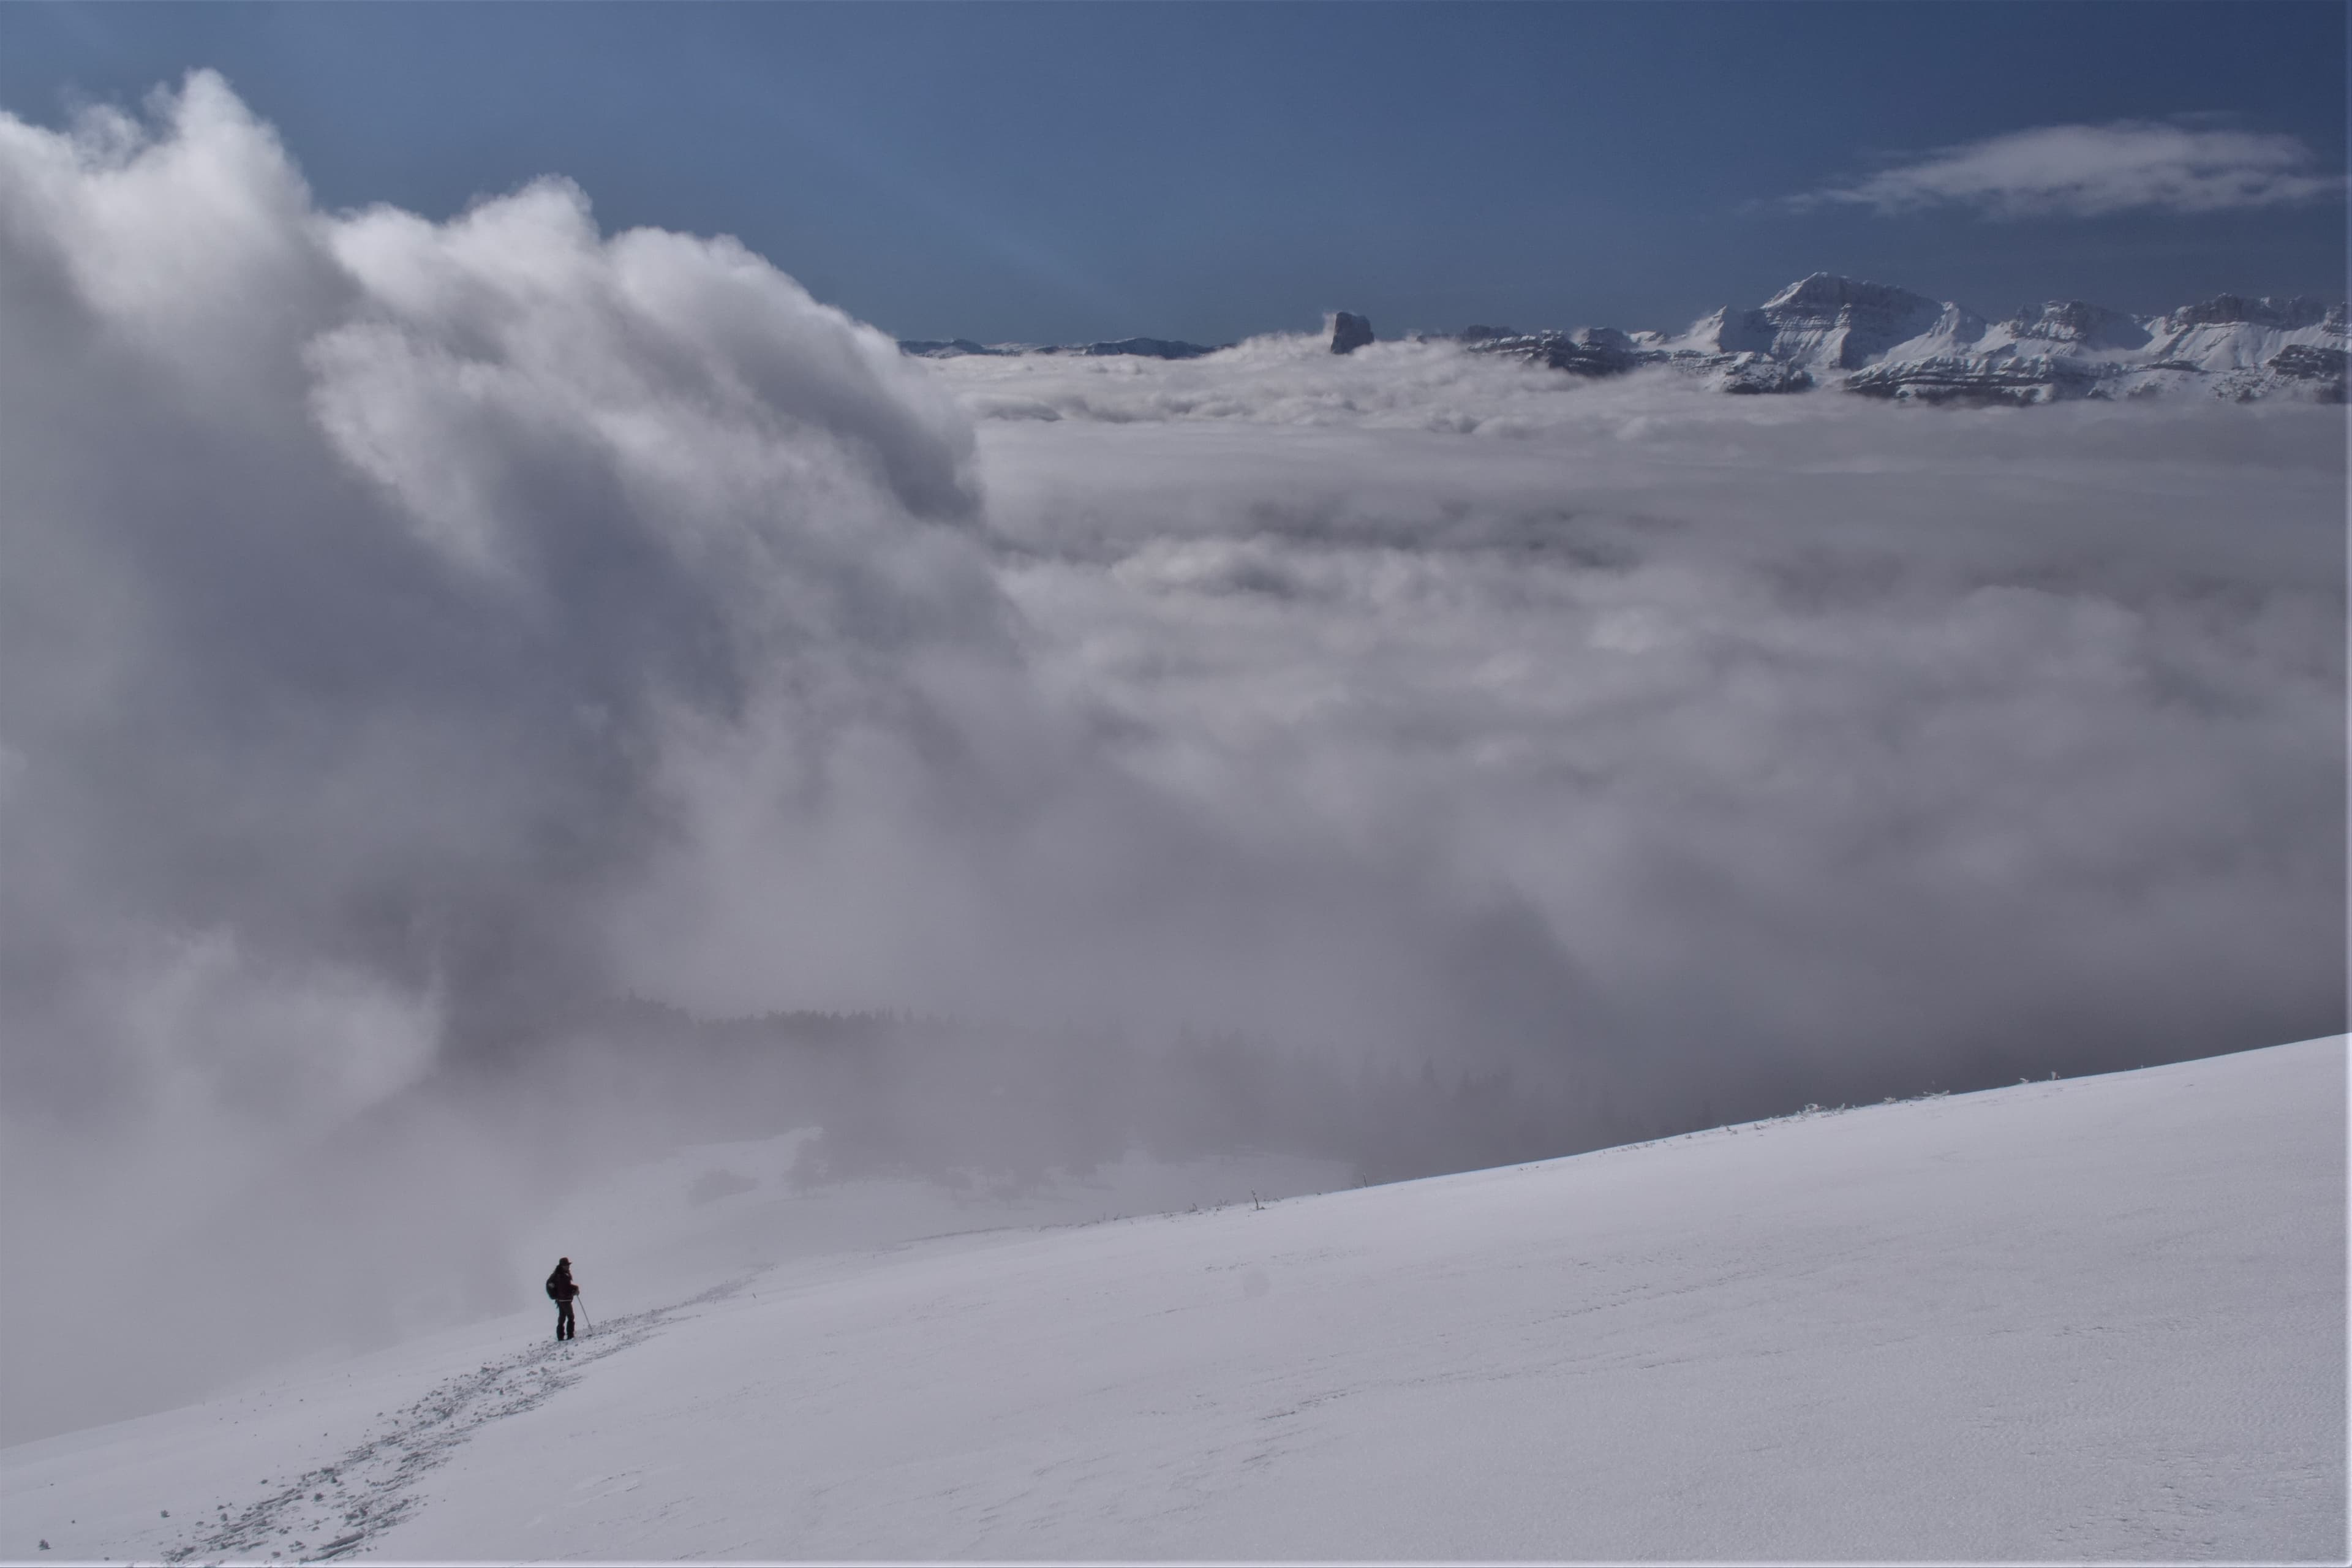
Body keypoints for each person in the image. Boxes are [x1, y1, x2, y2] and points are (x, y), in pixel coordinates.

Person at [546, 1257, 580, 1341]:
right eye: (566, 1265)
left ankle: (561, 1336)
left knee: (562, 1317)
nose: (568, 1267)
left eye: (568, 1265)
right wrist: (575, 1289)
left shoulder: (560, 1274)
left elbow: (564, 1287)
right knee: (570, 1316)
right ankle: (570, 1336)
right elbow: (565, 1288)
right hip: (565, 1299)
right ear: (562, 1266)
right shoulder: (561, 1275)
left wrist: (574, 1289)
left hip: (561, 1299)